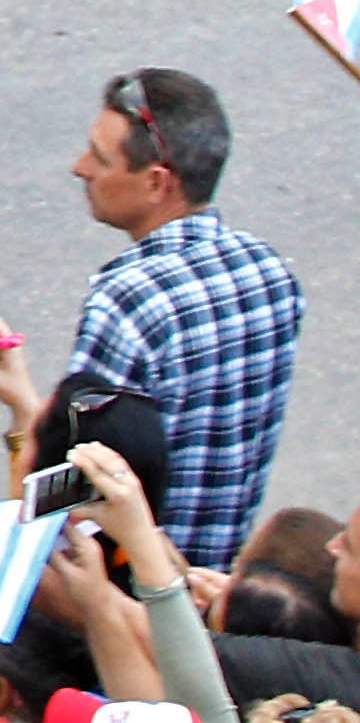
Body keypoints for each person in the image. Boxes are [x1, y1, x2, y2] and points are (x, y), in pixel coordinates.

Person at [62, 67, 307, 565]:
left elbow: (82, 489)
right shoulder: (269, 271)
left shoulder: (127, 301)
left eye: (99, 157)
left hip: (133, 590)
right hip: (210, 583)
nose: (80, 167)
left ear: (156, 183)